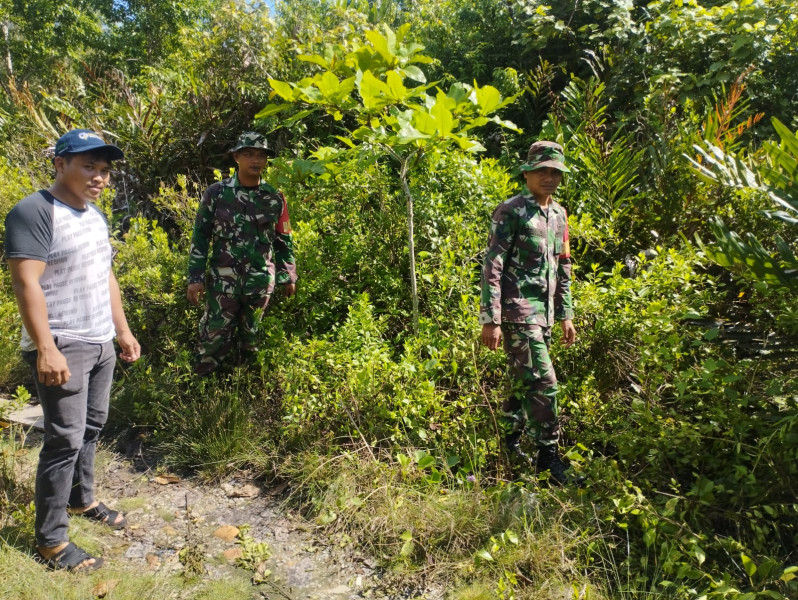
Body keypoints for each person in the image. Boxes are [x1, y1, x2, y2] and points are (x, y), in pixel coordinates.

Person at [5, 129, 141, 571]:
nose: (99, 177)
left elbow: (105, 276)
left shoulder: (95, 216)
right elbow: (25, 282)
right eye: (89, 166)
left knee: (92, 426)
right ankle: (51, 542)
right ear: (60, 164)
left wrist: (121, 330)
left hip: (100, 338)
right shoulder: (34, 211)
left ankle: (83, 501)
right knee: (63, 439)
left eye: (104, 170)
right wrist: (45, 348)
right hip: (63, 341)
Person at [479, 140, 576, 485]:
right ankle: (548, 459)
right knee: (545, 383)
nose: (549, 177)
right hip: (518, 312)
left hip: (547, 313)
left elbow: (563, 266)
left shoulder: (560, 215)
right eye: (542, 171)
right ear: (527, 173)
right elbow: (493, 264)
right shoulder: (511, 211)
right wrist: (491, 319)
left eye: (555, 172)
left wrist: (566, 314)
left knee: (524, 384)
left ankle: (508, 445)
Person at [186, 132, 297, 376]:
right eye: (248, 154)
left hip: (259, 281)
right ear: (237, 157)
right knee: (213, 339)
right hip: (223, 281)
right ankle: (203, 391)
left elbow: (284, 238)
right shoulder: (216, 193)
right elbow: (200, 237)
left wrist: (288, 275)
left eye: (261, 155)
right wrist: (195, 278)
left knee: (252, 341)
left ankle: (246, 394)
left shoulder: (275, 197)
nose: (255, 160)